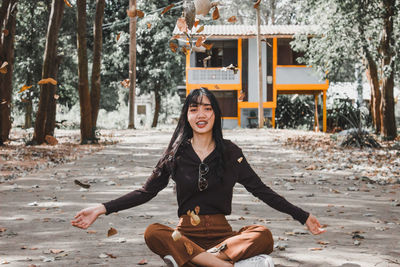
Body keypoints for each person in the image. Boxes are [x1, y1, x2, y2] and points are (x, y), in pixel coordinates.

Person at [71, 87, 326, 267]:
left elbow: (261, 190)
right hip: (185, 235)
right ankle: (224, 266)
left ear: (215, 114)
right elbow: (145, 192)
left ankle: (193, 261)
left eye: (207, 108)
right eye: (194, 109)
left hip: (223, 237)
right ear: (187, 115)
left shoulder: (231, 153)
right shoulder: (176, 154)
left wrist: (302, 216)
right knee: (153, 232)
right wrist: (101, 208)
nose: (201, 115)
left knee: (263, 235)